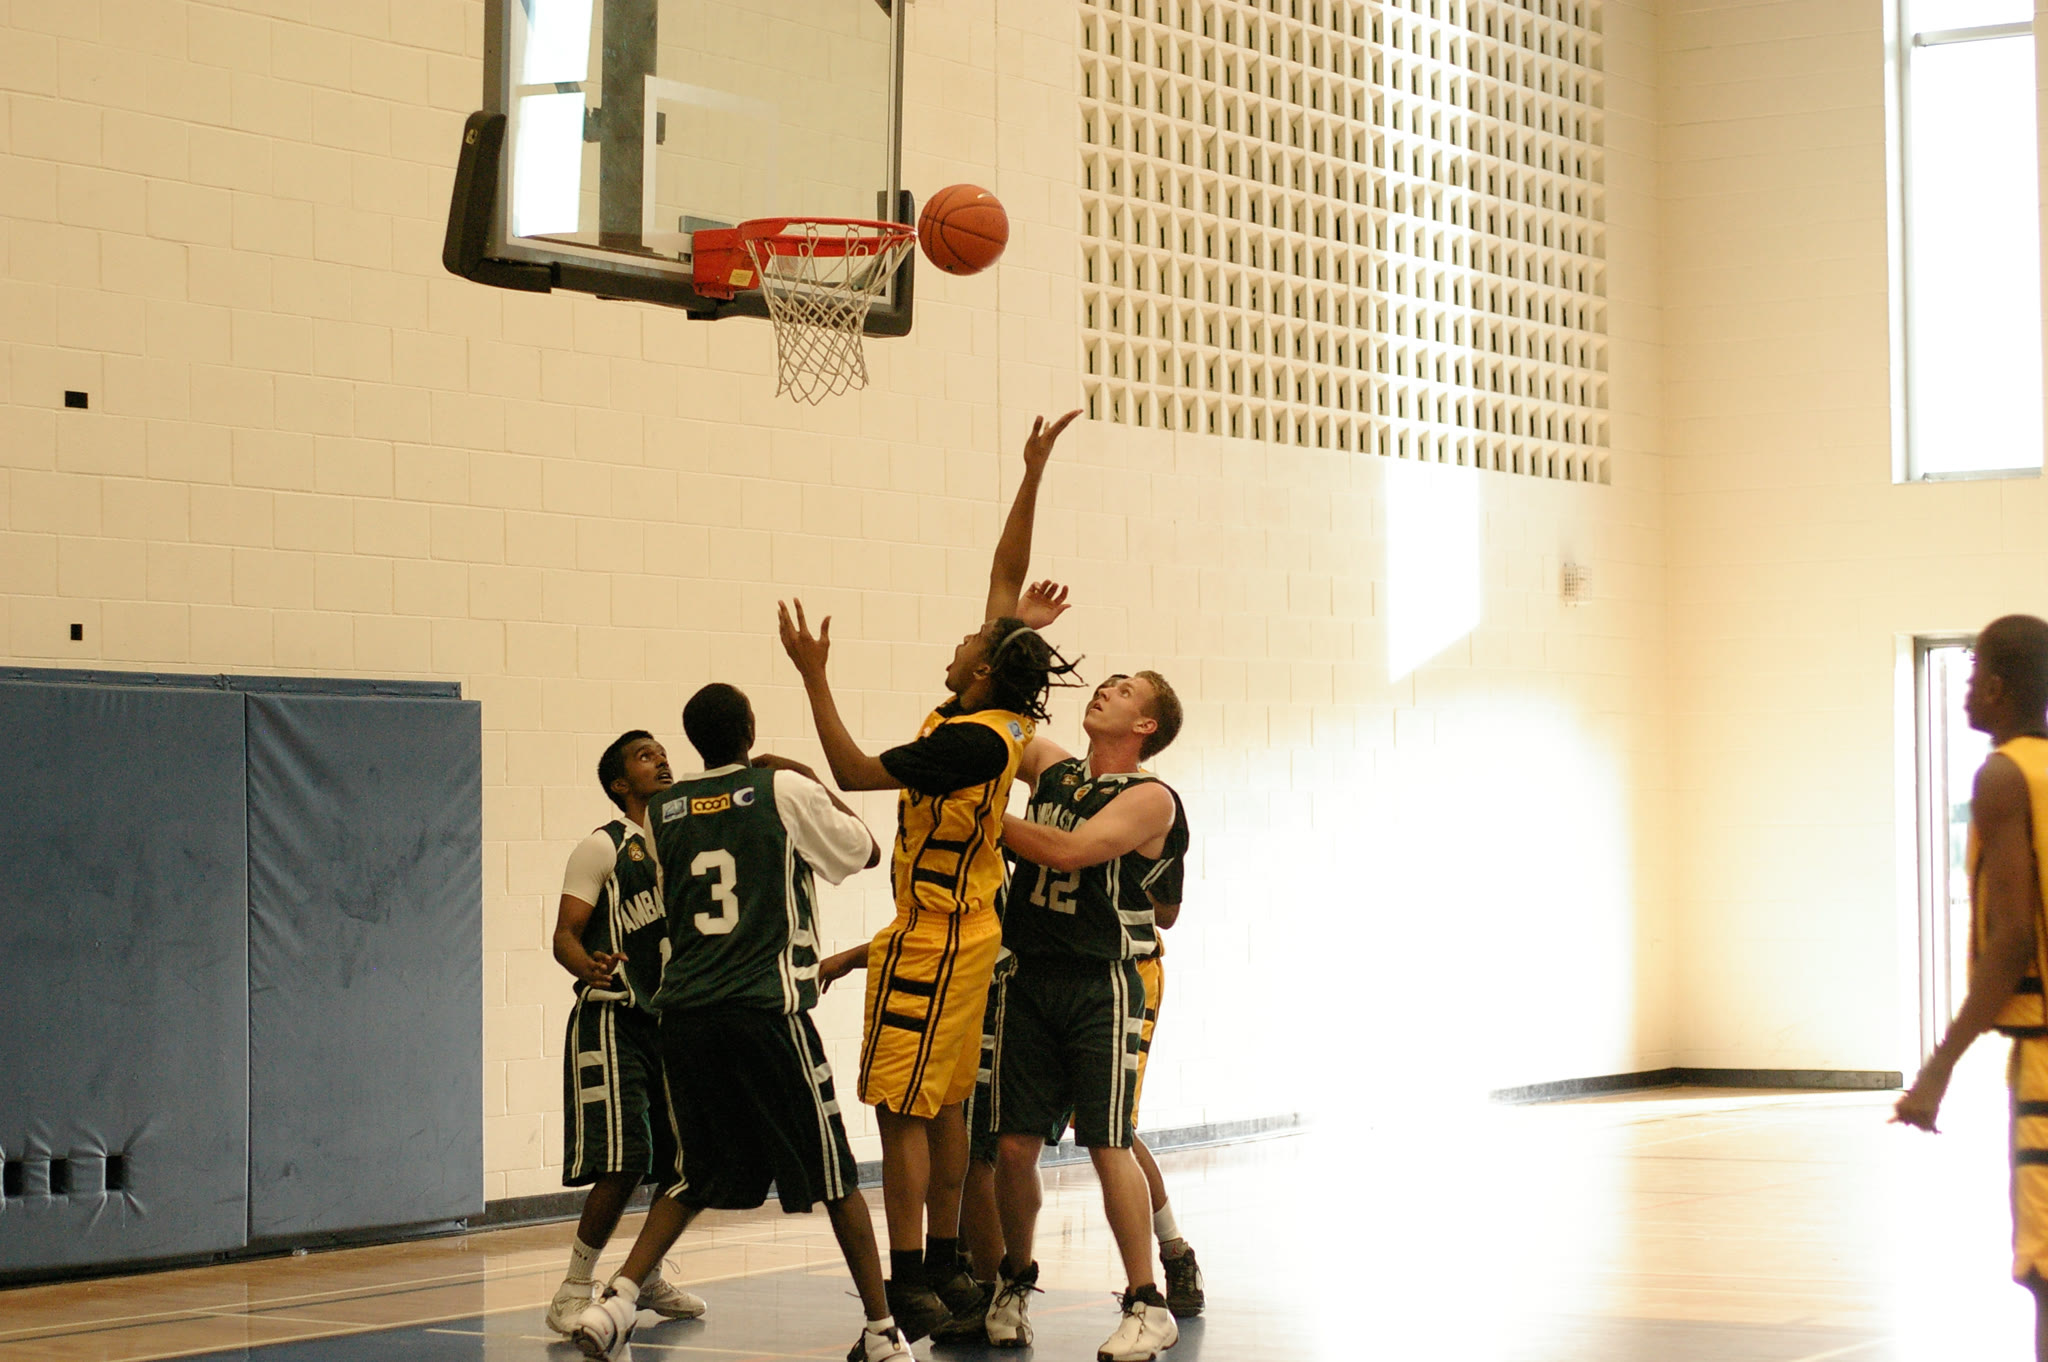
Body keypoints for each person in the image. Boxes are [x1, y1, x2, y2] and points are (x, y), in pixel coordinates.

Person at [779, 410, 1083, 1340]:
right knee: (945, 1104)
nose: (956, 644)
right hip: (963, 931)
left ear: (983, 673)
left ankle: (910, 1276)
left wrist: (812, 675)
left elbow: (851, 772)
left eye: (969, 645)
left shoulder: (971, 741)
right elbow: (1004, 577)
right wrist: (1032, 473)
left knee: (898, 1109)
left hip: (938, 934)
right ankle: (948, 1266)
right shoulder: (992, 716)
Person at [569, 685, 911, 1362]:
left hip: (686, 1017)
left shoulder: (662, 813)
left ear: (691, 743)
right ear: (750, 729)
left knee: (693, 1173)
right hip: (764, 1010)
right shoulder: (783, 789)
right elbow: (865, 852)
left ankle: (617, 1301)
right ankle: (881, 1331)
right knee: (835, 1175)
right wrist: (809, 777)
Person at [981, 668, 1190, 1360]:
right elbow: (992, 729)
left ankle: (1147, 1302)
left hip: (1103, 982)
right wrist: (1012, 644)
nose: (1105, 690)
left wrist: (979, 815)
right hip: (1030, 975)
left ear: (1146, 726)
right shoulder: (1053, 768)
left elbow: (1068, 850)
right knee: (1015, 1147)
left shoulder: (1151, 798)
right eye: (1106, 684)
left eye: (1125, 691)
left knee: (1106, 1141)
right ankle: (1014, 1281)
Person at [1895, 614, 2048, 1361]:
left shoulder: (2005, 775)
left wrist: (1937, 1067)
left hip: (2046, 1053)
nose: (1964, 690)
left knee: (2047, 1271)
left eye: (1973, 673)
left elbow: (2013, 938)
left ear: (1996, 686)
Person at [544, 730, 706, 1335]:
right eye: (645, 756)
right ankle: (572, 1289)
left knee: (687, 1162)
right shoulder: (603, 846)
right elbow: (565, 933)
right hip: (613, 1018)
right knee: (626, 1159)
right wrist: (585, 964)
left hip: (672, 1022)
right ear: (620, 783)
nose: (661, 759)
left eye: (662, 751)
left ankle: (645, 1273)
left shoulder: (685, 843)